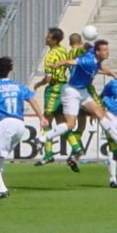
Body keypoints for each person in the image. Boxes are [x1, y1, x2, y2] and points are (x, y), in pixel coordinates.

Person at [37, 39, 117, 172]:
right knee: (70, 125)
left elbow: (99, 66)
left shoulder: (93, 56)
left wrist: (111, 73)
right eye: (105, 50)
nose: (107, 52)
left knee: (100, 113)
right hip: (71, 91)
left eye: (107, 49)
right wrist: (57, 65)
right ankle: (43, 138)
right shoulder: (88, 61)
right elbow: (70, 61)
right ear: (97, 52)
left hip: (82, 91)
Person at [0, 56, 48, 203]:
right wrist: (41, 117)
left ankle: (2, 188)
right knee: (0, 157)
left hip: (4, 123)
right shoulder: (18, 86)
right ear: (10, 70)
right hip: (19, 124)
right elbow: (32, 99)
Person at [33, 27, 68, 166]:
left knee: (46, 121)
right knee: (62, 122)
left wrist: (39, 84)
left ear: (54, 40)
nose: (45, 38)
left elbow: (48, 78)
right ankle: (77, 148)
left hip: (54, 88)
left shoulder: (51, 56)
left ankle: (48, 154)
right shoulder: (63, 50)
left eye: (48, 37)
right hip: (64, 87)